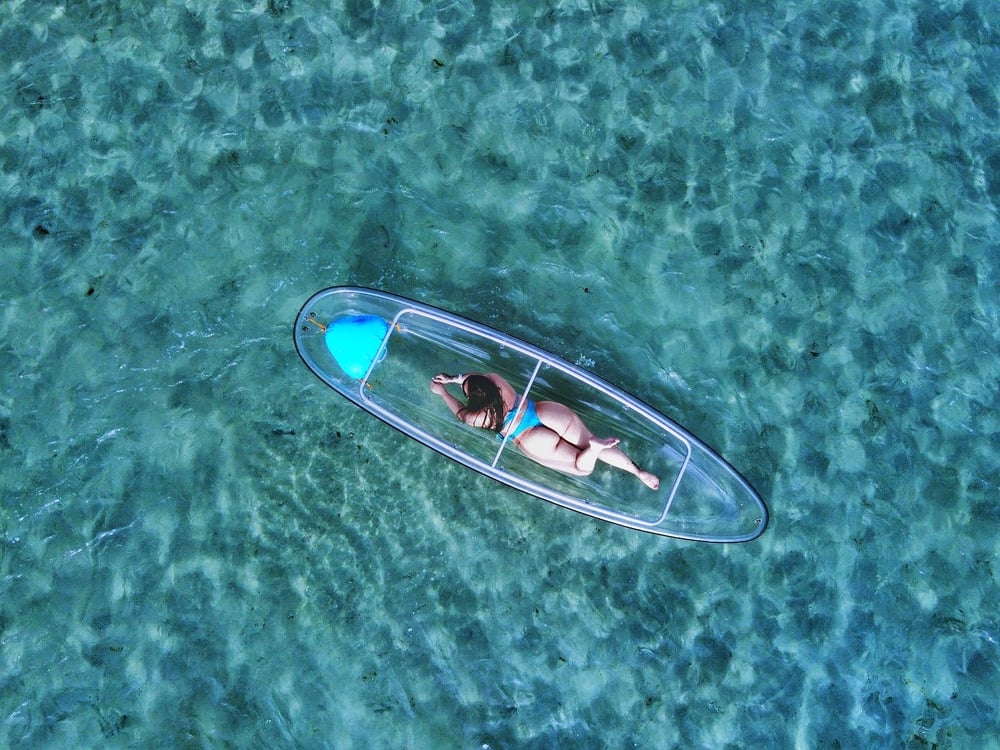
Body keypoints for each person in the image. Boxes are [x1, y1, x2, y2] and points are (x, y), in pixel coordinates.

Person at [430, 372, 660, 490]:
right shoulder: (495, 380)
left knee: (581, 468)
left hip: (528, 437)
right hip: (543, 410)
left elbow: (460, 413)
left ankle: (593, 450)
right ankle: (637, 471)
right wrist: (455, 377)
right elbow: (473, 377)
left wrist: (443, 392)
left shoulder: (477, 417)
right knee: (589, 440)